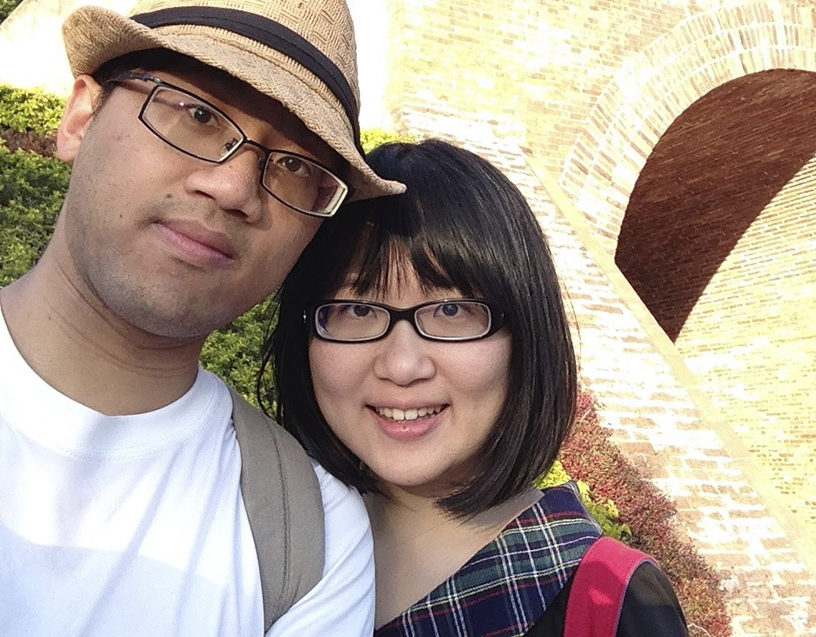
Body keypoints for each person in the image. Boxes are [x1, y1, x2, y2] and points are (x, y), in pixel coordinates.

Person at [0, 0, 404, 635]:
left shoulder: (310, 539)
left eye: (295, 166)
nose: (234, 187)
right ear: (80, 119)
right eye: (196, 114)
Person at [265, 139, 689, 635]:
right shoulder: (262, 543)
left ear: (525, 337)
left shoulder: (607, 601)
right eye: (357, 309)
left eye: (451, 310)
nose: (401, 366)